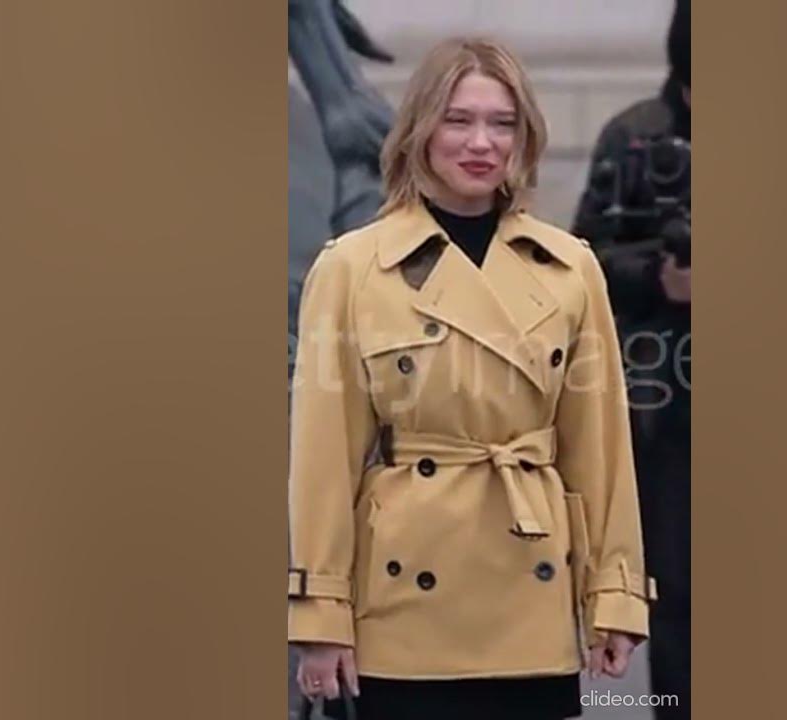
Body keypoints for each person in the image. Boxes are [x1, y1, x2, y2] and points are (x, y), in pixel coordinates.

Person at [288, 37, 655, 720]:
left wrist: (616, 592)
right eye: (458, 120)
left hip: (531, 590)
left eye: (503, 122)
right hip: (401, 603)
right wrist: (319, 614)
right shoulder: (352, 268)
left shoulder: (569, 268)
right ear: (420, 130)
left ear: (525, 138)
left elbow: (601, 450)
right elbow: (321, 461)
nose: (481, 142)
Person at [572, 2, 691, 718]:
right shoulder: (637, 137)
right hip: (671, 404)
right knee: (678, 589)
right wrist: (661, 277)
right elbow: (583, 250)